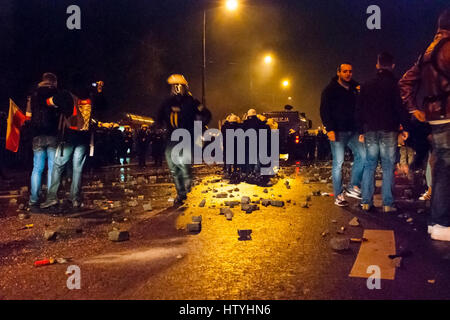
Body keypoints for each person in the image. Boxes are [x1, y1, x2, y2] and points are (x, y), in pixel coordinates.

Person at [398, 8, 450, 241]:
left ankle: (436, 222)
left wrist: (415, 109)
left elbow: (405, 82)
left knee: (441, 169)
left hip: (436, 118)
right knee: (445, 171)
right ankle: (441, 222)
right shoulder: (447, 48)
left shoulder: (427, 52)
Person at [40, 76, 104, 211]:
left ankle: (52, 198)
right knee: (78, 169)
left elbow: (48, 102)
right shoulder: (91, 96)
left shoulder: (66, 95)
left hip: (68, 137)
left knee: (58, 166)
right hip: (84, 137)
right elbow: (103, 106)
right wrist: (99, 90)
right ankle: (74, 198)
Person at [356, 52, 410, 213]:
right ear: (392, 66)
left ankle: (366, 201)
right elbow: (400, 108)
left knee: (369, 165)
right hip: (389, 129)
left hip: (370, 130)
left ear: (377, 64)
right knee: (387, 166)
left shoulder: (366, 85)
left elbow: (358, 109)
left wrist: (361, 130)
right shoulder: (395, 84)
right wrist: (405, 127)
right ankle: (388, 204)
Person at [157, 74, 211, 205]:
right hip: (171, 137)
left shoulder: (191, 101)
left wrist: (199, 127)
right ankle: (180, 192)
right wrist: (158, 127)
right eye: (173, 86)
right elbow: (158, 118)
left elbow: (206, 114)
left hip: (187, 135)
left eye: (178, 86)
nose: (176, 89)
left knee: (184, 163)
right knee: (173, 165)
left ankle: (186, 185)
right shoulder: (167, 103)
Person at [320, 62, 366, 206]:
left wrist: (361, 130)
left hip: (353, 130)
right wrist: (330, 129)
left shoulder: (355, 89)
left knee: (363, 156)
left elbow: (360, 109)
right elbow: (324, 110)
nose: (348, 74)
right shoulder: (330, 90)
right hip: (337, 131)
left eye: (350, 71)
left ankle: (353, 186)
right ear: (338, 72)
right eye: (345, 71)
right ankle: (339, 196)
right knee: (338, 163)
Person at [26, 73, 62, 213]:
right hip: (52, 134)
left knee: (37, 168)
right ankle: (50, 198)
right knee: (52, 168)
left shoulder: (33, 94)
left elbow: (28, 116)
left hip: (37, 135)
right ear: (54, 81)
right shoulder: (56, 93)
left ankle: (34, 199)